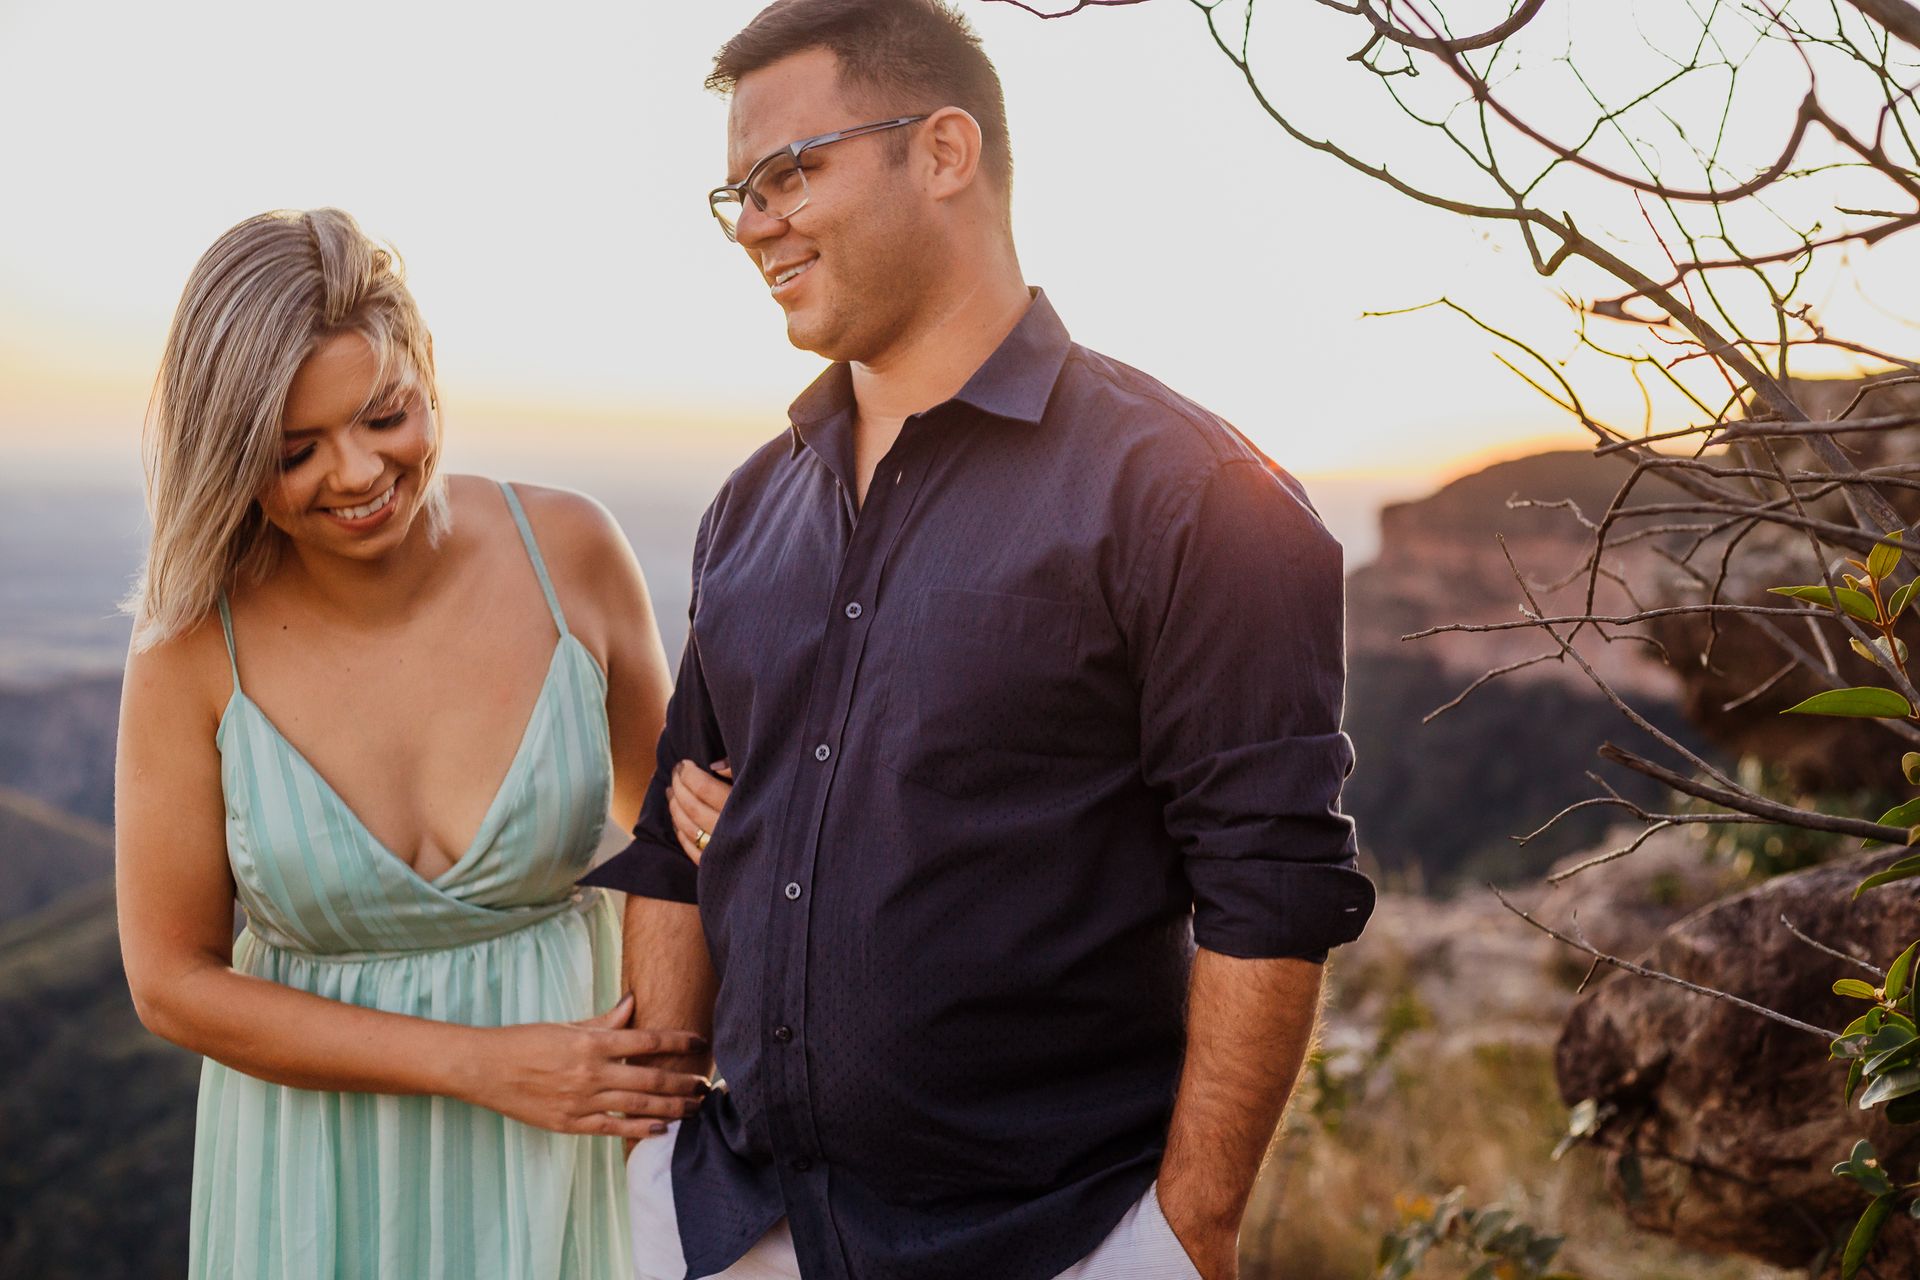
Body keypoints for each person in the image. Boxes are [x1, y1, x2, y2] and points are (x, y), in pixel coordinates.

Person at [581, 3, 1378, 1278]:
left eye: (790, 173)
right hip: (738, 1222)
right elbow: (673, 849)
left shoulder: (1184, 491)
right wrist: (656, 1165)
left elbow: (1270, 876)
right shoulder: (749, 507)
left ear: (944, 152)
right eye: (736, 190)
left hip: (1047, 1239)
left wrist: (1186, 1232)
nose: (752, 224)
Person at [114, 207, 716, 1280]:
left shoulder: (569, 552)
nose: (355, 472)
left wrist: (671, 1090)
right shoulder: (191, 644)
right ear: (231, 456)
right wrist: (480, 1064)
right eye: (295, 451)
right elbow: (169, 981)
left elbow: (672, 837)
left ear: (426, 371)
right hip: (312, 1178)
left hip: (565, 1155)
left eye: (383, 414)